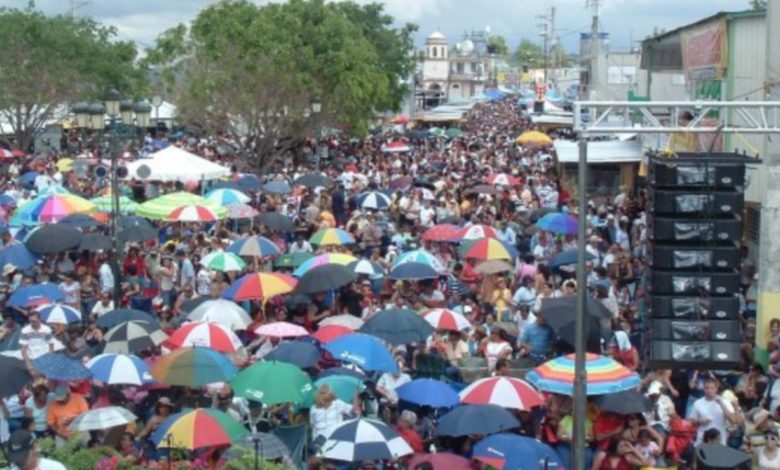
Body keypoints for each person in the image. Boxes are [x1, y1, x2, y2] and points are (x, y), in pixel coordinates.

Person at [689, 377, 740, 445]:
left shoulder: (725, 402)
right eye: (707, 388)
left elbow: (734, 420)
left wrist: (722, 405)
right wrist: (700, 421)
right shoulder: (697, 403)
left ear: (716, 389)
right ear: (703, 388)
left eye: (712, 388)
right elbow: (691, 422)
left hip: (719, 440)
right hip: (702, 440)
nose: (709, 390)